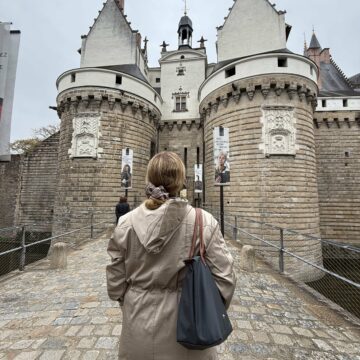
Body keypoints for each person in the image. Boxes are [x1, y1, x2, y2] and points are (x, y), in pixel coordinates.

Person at [106, 151, 236, 360]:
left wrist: (131, 300)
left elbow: (115, 281)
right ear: (182, 181)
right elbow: (225, 279)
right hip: (191, 332)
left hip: (138, 327)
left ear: (149, 179)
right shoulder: (205, 222)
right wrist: (206, 308)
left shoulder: (126, 223)